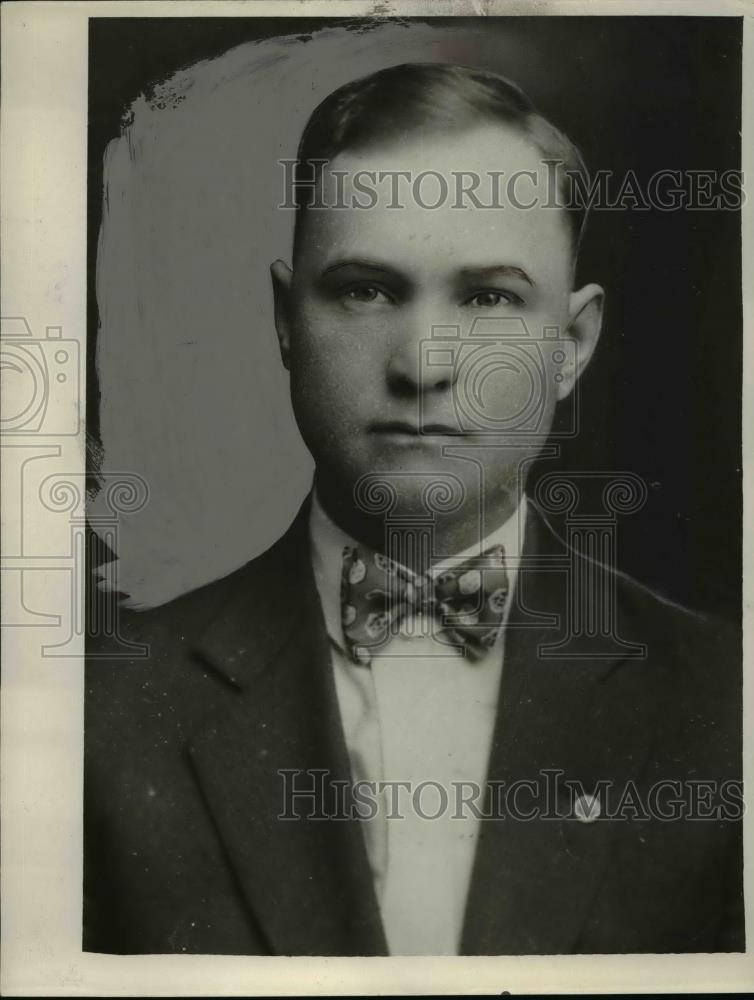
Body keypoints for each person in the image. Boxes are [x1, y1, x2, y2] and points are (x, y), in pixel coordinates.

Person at [84, 62, 743, 956]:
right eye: (366, 289)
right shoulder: (98, 712)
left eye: (487, 298)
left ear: (572, 344)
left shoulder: (726, 703)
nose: (422, 366)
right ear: (286, 318)